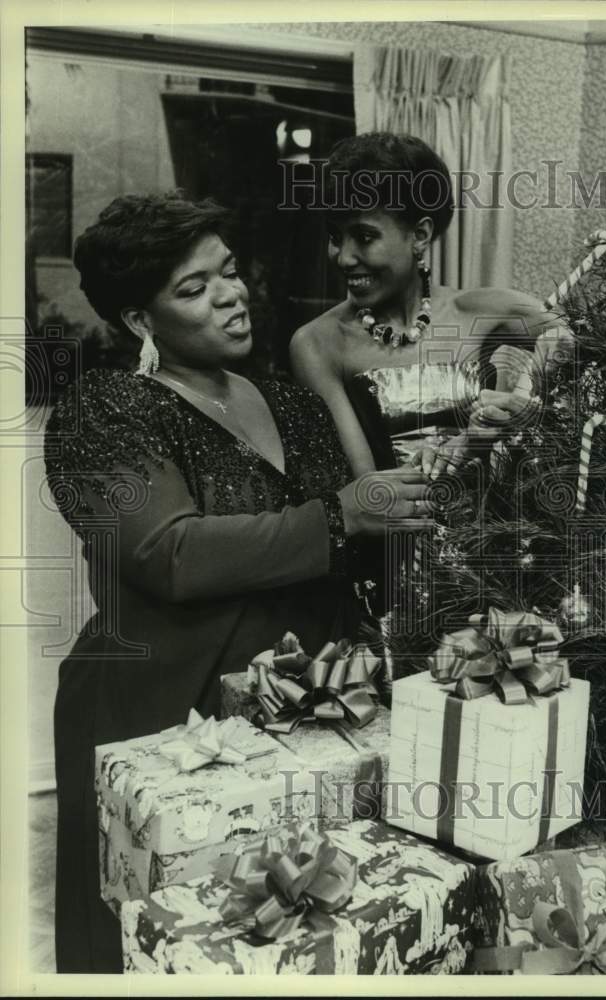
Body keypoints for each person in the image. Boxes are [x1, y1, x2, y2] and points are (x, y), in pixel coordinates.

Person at [44, 191, 431, 973]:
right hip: (161, 719)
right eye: (194, 289)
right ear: (138, 323)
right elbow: (170, 555)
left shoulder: (293, 404)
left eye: (228, 273)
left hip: (308, 719)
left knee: (306, 936)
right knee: (175, 942)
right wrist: (341, 515)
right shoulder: (103, 412)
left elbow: (352, 552)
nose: (230, 296)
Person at [289, 132, 574, 481]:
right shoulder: (317, 344)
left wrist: (531, 389)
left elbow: (588, 342)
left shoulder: (482, 311)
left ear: (420, 236)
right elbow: (366, 490)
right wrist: (468, 444)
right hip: (392, 531)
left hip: (491, 530)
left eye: (364, 237)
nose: (344, 257)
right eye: (335, 237)